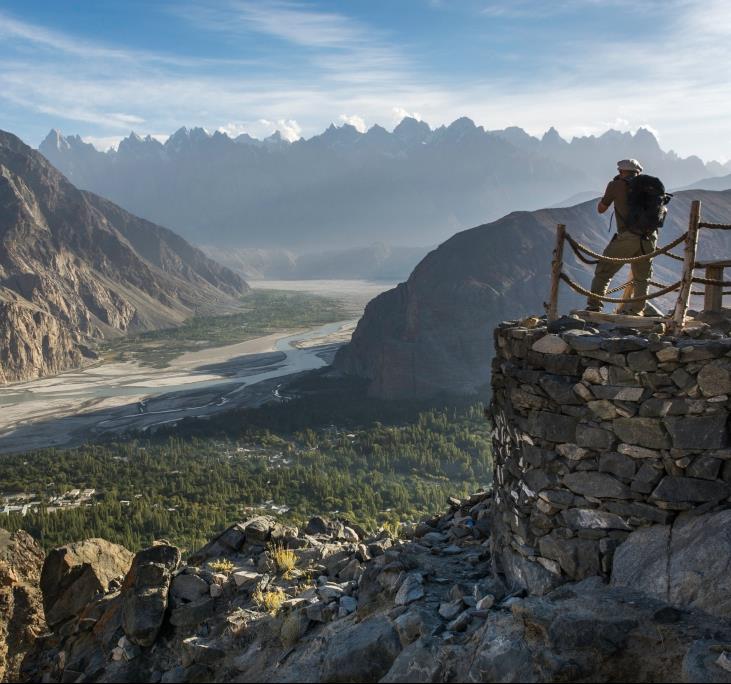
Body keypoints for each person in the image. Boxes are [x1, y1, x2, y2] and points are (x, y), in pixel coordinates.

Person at [586, 158, 656, 315]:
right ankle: (637, 311)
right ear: (638, 172)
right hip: (649, 238)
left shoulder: (615, 185)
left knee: (604, 271)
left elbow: (601, 209)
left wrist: (612, 194)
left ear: (620, 171)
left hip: (628, 236)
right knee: (642, 277)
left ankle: (594, 306)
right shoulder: (650, 186)